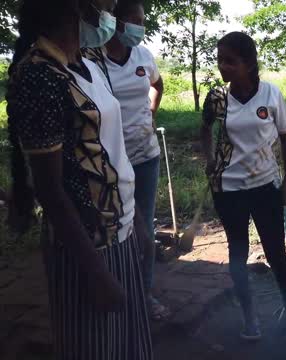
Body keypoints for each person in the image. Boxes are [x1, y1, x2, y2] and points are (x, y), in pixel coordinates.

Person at [6, 0, 153, 359]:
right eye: (106, 2)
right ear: (77, 7)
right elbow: (51, 191)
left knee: (128, 345)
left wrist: (138, 226)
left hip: (121, 230)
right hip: (86, 247)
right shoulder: (39, 76)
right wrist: (97, 276)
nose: (112, 8)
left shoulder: (91, 61)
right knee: (95, 347)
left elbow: (111, 151)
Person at [201, 31, 286, 340]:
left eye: (230, 61)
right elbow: (204, 128)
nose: (223, 67)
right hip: (228, 190)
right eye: (220, 61)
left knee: (276, 253)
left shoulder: (270, 94)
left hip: (265, 186)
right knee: (237, 254)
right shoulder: (217, 97)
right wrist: (209, 159)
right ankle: (250, 318)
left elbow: (285, 138)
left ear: (249, 63)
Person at [83, 0, 169, 321]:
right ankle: (114, 292)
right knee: (115, 230)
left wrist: (151, 111)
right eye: (134, 20)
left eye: (142, 21)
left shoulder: (144, 56)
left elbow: (157, 85)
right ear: (115, 22)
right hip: (109, 163)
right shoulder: (95, 60)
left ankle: (144, 294)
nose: (140, 27)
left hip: (145, 156)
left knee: (144, 225)